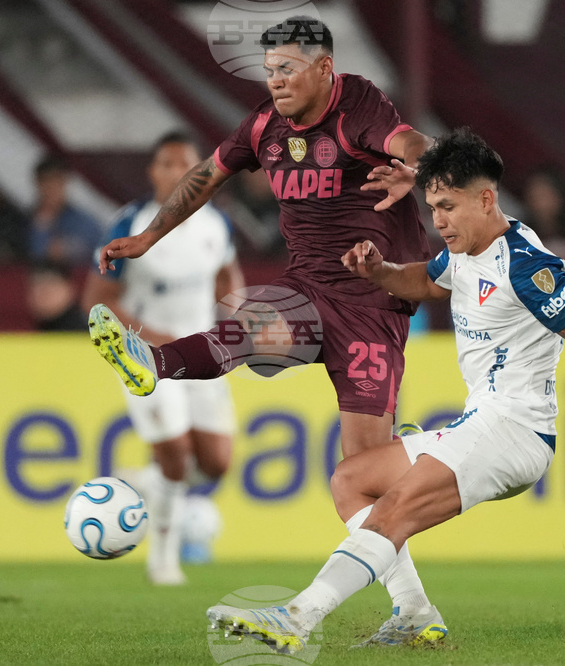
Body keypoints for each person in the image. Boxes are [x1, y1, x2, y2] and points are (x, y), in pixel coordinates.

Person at [205, 129, 565, 653]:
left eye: (449, 207)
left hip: (514, 430)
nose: (440, 221)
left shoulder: (524, 265)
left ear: (486, 198)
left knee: (396, 508)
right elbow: (430, 282)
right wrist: (378, 271)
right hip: (482, 422)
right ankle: (414, 612)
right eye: (432, 208)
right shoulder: (466, 252)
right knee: (353, 480)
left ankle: (297, 617)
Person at [90, 16, 439, 626]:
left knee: (361, 478)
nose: (274, 81)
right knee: (256, 321)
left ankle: (413, 610)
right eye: (269, 69)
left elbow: (412, 143)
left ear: (324, 69)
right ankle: (153, 363)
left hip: (373, 304)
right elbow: (206, 176)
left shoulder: (359, 106)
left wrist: (420, 173)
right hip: (306, 292)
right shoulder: (264, 126)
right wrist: (146, 235)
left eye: (288, 69)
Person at [82, 132, 244, 585]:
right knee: (174, 453)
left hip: (203, 355)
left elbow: (228, 278)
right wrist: (149, 337)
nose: (177, 173)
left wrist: (236, 321)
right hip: (146, 358)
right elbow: (96, 301)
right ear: (153, 172)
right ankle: (164, 561)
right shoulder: (130, 224)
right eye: (167, 164)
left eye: (186, 165)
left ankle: (144, 483)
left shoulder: (216, 225)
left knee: (215, 463)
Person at [30, 156, 104, 264]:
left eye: (57, 182)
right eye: (46, 182)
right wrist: (41, 227)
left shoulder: (84, 222)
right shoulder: (24, 222)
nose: (51, 189)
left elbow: (101, 253)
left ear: (65, 183)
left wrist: (68, 250)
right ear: (37, 185)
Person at [27, 261, 89, 332]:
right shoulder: (40, 329)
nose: (42, 293)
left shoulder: (84, 331)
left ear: (70, 289)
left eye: (50, 284)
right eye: (35, 285)